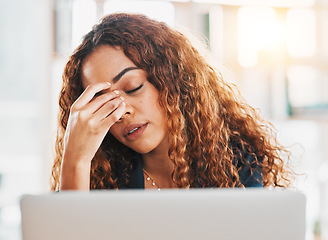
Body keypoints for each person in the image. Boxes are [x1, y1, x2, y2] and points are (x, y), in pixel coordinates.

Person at [51, 13, 293, 191]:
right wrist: (76, 160)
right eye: (101, 103)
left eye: (133, 87)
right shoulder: (104, 177)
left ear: (172, 80)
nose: (121, 112)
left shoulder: (237, 163)